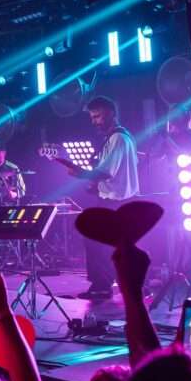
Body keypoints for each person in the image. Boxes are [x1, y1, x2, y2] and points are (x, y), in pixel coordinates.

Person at [71, 96, 139, 299]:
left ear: (111, 114)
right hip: (115, 200)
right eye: (92, 117)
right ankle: (109, 283)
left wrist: (80, 173)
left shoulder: (118, 138)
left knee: (95, 240)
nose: (94, 121)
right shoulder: (118, 137)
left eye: (98, 116)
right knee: (103, 243)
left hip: (117, 202)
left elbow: (106, 172)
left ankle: (102, 286)